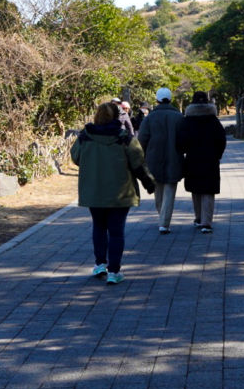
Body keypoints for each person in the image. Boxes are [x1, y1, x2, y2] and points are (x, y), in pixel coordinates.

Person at [70, 101, 154, 284]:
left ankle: (100, 263)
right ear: (117, 116)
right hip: (120, 192)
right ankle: (114, 271)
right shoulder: (124, 137)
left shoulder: (85, 137)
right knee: (116, 232)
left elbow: (76, 157)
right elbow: (138, 163)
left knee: (99, 227)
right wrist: (149, 183)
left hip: (94, 191)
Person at [177, 90, 227, 233]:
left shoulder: (187, 121)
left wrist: (184, 152)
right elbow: (221, 140)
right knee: (208, 190)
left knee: (196, 189)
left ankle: (198, 218)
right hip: (210, 159)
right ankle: (206, 222)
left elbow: (181, 141)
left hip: (193, 159)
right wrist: (218, 154)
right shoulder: (213, 120)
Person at [138, 86, 185, 234]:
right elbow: (184, 141)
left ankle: (162, 218)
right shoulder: (179, 117)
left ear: (157, 100)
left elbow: (142, 140)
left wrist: (142, 157)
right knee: (170, 191)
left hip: (153, 159)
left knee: (158, 192)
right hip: (174, 158)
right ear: (170, 99)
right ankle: (164, 222)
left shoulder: (150, 118)